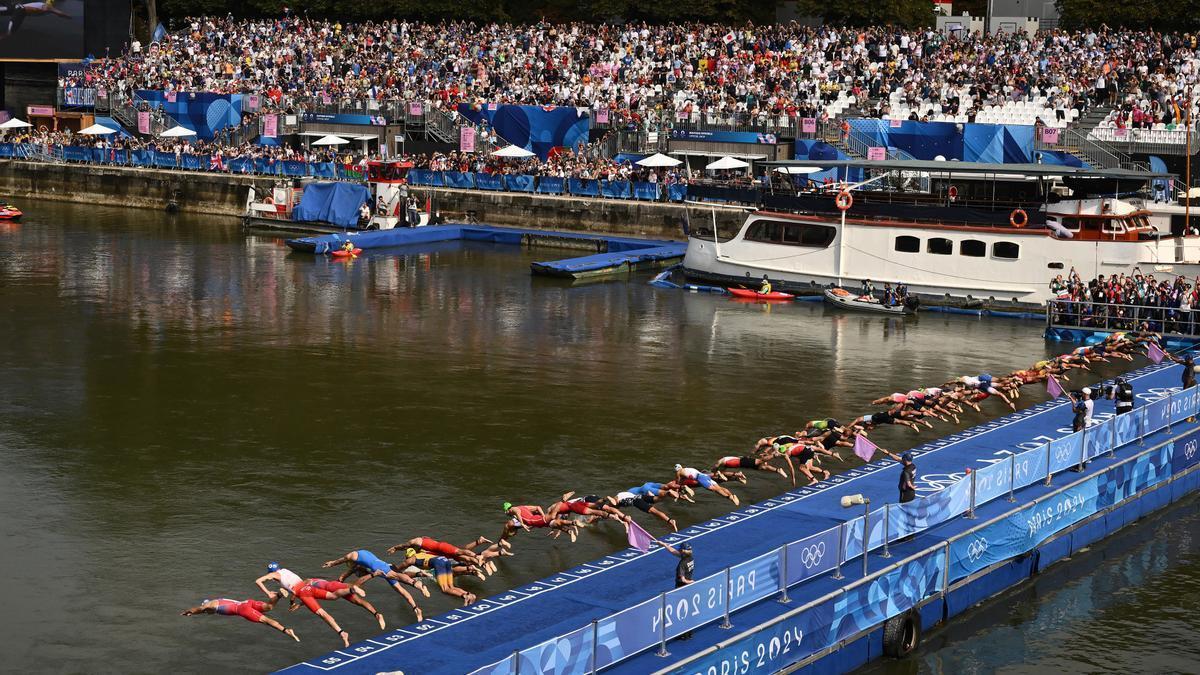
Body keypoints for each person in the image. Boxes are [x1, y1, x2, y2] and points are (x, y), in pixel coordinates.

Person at [256, 562, 386, 635]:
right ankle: (376, 613)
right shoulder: (286, 572)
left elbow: (258, 581)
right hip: (313, 588)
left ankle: (373, 576)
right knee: (353, 599)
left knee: (349, 591)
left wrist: (268, 593)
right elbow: (303, 588)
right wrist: (296, 602)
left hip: (321, 586)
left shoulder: (276, 575)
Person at [320, 549, 425, 621]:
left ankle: (416, 584)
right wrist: (337, 581)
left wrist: (333, 563)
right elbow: (344, 574)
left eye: (351, 564)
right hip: (382, 566)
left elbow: (342, 560)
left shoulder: (352, 556)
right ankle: (416, 608)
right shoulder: (359, 561)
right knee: (400, 589)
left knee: (396, 576)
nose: (353, 566)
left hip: (381, 567)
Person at [181, 596, 299, 642]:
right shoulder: (218, 600)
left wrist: (189, 611)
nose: (206, 612)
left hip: (243, 610)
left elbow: (201, 608)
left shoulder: (210, 605)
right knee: (269, 607)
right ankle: (278, 595)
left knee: (267, 621)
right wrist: (195, 613)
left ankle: (286, 630)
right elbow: (202, 611)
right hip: (247, 602)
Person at [395, 549, 478, 605]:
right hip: (445, 560)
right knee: (451, 586)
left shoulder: (410, 560)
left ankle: (464, 596)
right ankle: (469, 595)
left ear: (407, 556)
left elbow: (398, 570)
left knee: (445, 589)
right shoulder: (422, 554)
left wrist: (392, 569)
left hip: (438, 563)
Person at [499, 502, 580, 545]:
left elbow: (517, 513)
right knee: (555, 524)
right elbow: (538, 507)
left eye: (506, 512)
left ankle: (562, 501)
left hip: (535, 520)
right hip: (536, 522)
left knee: (553, 517)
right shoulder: (523, 507)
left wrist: (523, 524)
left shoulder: (514, 510)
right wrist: (542, 515)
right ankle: (569, 531)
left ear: (507, 510)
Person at [659, 541, 694, 639]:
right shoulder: (690, 557)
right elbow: (675, 552)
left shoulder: (682, 564)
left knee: (681, 611)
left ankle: (683, 634)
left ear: (682, 551)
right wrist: (665, 545)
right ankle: (689, 632)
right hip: (688, 588)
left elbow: (683, 579)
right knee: (688, 609)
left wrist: (691, 582)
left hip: (681, 587)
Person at [674, 464, 739, 505]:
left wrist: (677, 491)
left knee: (715, 490)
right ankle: (732, 495)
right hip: (704, 475)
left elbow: (678, 482)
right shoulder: (687, 468)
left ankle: (730, 498)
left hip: (700, 478)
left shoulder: (678, 472)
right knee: (719, 488)